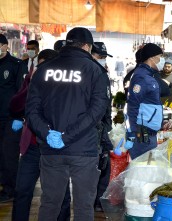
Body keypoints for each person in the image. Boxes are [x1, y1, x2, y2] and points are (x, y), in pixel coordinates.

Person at [25, 27, 110, 221]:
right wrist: (68, 136)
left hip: (51, 150)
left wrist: (48, 134)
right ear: (87, 46)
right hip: (83, 149)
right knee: (83, 207)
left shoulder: (44, 69)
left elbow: (31, 111)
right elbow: (96, 113)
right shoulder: (95, 71)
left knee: (49, 203)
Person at [11, 49, 71, 221]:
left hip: (55, 148)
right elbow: (15, 105)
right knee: (22, 190)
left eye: (44, 65)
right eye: (39, 65)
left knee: (61, 194)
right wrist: (31, 82)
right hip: (31, 147)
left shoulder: (64, 86)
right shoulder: (31, 81)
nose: (40, 69)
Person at [124, 43, 164, 159]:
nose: (162, 60)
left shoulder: (148, 75)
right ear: (152, 58)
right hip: (142, 136)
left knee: (147, 171)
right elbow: (132, 106)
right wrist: (131, 133)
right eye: (160, 56)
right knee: (144, 172)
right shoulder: (141, 77)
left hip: (148, 134)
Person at [0, 34, 27, 203]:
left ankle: (10, 190)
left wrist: (19, 116)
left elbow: (22, 92)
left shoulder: (16, 65)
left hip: (10, 119)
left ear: (5, 46)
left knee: (8, 156)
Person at [91, 41, 114, 212]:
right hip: (93, 128)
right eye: (100, 56)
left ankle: (97, 201)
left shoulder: (102, 74)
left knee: (103, 165)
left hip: (102, 127)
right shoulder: (90, 74)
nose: (103, 60)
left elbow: (107, 103)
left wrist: (108, 125)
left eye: (105, 57)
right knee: (97, 167)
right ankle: (94, 201)